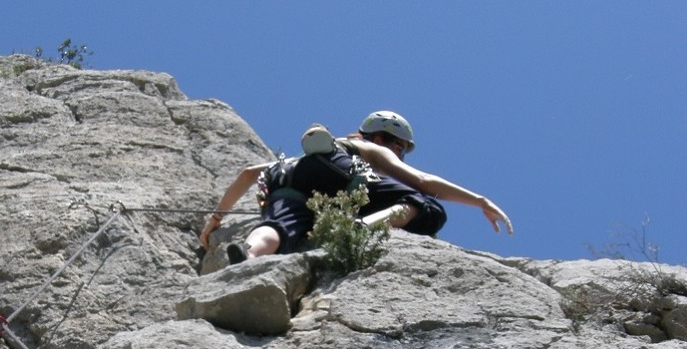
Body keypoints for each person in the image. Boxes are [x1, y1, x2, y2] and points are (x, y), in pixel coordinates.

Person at [200, 111, 512, 264]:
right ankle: (361, 227)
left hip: (285, 177)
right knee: (426, 206)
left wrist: (215, 220)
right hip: (337, 173)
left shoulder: (303, 159)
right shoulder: (367, 148)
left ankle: (249, 254)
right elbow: (422, 182)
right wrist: (479, 200)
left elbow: (247, 174)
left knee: (280, 225)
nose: (400, 154)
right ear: (380, 138)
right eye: (399, 147)